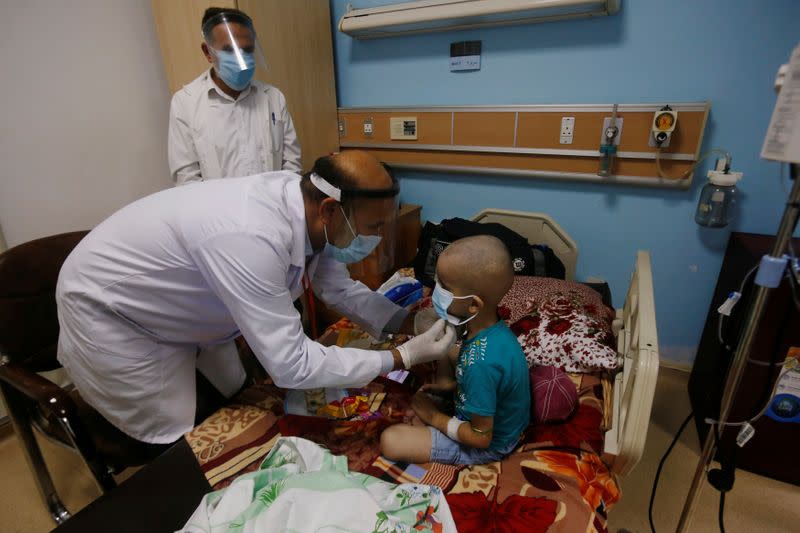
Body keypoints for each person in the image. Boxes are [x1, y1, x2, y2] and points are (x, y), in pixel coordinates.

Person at [55, 150, 455, 450]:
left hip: (187, 302)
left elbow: (338, 287)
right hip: (114, 310)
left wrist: (407, 324)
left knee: (234, 392)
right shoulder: (250, 235)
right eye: (373, 226)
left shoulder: (307, 207)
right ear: (330, 210)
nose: (379, 238)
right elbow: (292, 366)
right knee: (171, 435)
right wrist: (400, 358)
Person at [380, 235, 531, 465]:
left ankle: (442, 405)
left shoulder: (479, 364)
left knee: (391, 440)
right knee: (446, 346)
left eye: (445, 287)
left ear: (473, 304)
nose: (434, 291)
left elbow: (480, 438)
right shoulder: (487, 329)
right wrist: (452, 385)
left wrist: (433, 417)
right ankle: (446, 383)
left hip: (488, 443)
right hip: (488, 403)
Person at [168, 7, 302, 185]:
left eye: (247, 50)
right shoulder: (185, 103)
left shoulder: (273, 97)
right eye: (230, 50)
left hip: (272, 207)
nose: (241, 58)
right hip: (217, 211)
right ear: (208, 52)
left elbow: (292, 167)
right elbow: (187, 180)